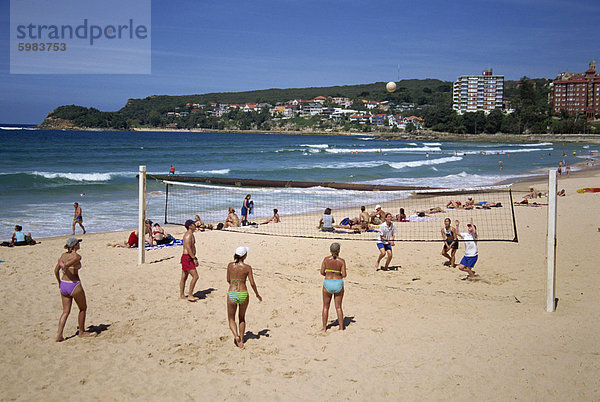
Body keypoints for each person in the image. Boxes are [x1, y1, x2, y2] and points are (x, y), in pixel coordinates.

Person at [54, 238, 93, 342]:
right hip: (74, 285)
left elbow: (56, 270)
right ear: (74, 245)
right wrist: (65, 265)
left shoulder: (63, 255)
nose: (79, 244)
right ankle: (81, 332)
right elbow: (68, 264)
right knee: (83, 308)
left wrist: (59, 282)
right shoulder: (77, 256)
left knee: (65, 311)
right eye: (78, 243)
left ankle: (59, 335)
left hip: (64, 284)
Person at [226, 246, 262, 349]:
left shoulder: (230, 265)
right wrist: (257, 294)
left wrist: (233, 284)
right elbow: (252, 283)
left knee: (231, 318)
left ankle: (236, 335)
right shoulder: (247, 267)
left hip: (232, 292)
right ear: (245, 255)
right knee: (241, 318)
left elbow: (228, 279)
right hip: (243, 293)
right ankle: (241, 340)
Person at [320, 242, 347, 332]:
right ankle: (341, 327)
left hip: (328, 283)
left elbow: (322, 272)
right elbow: (344, 274)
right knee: (338, 307)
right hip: (338, 283)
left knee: (325, 307)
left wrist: (328, 274)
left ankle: (324, 328)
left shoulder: (326, 259)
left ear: (330, 250)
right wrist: (337, 275)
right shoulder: (341, 261)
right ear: (339, 250)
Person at [180, 220, 200, 302]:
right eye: (193, 224)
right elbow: (188, 248)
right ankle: (190, 295)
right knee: (195, 276)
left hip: (187, 257)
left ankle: (181, 295)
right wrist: (194, 258)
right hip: (187, 257)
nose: (195, 225)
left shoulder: (191, 234)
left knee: (184, 277)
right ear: (190, 226)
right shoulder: (188, 235)